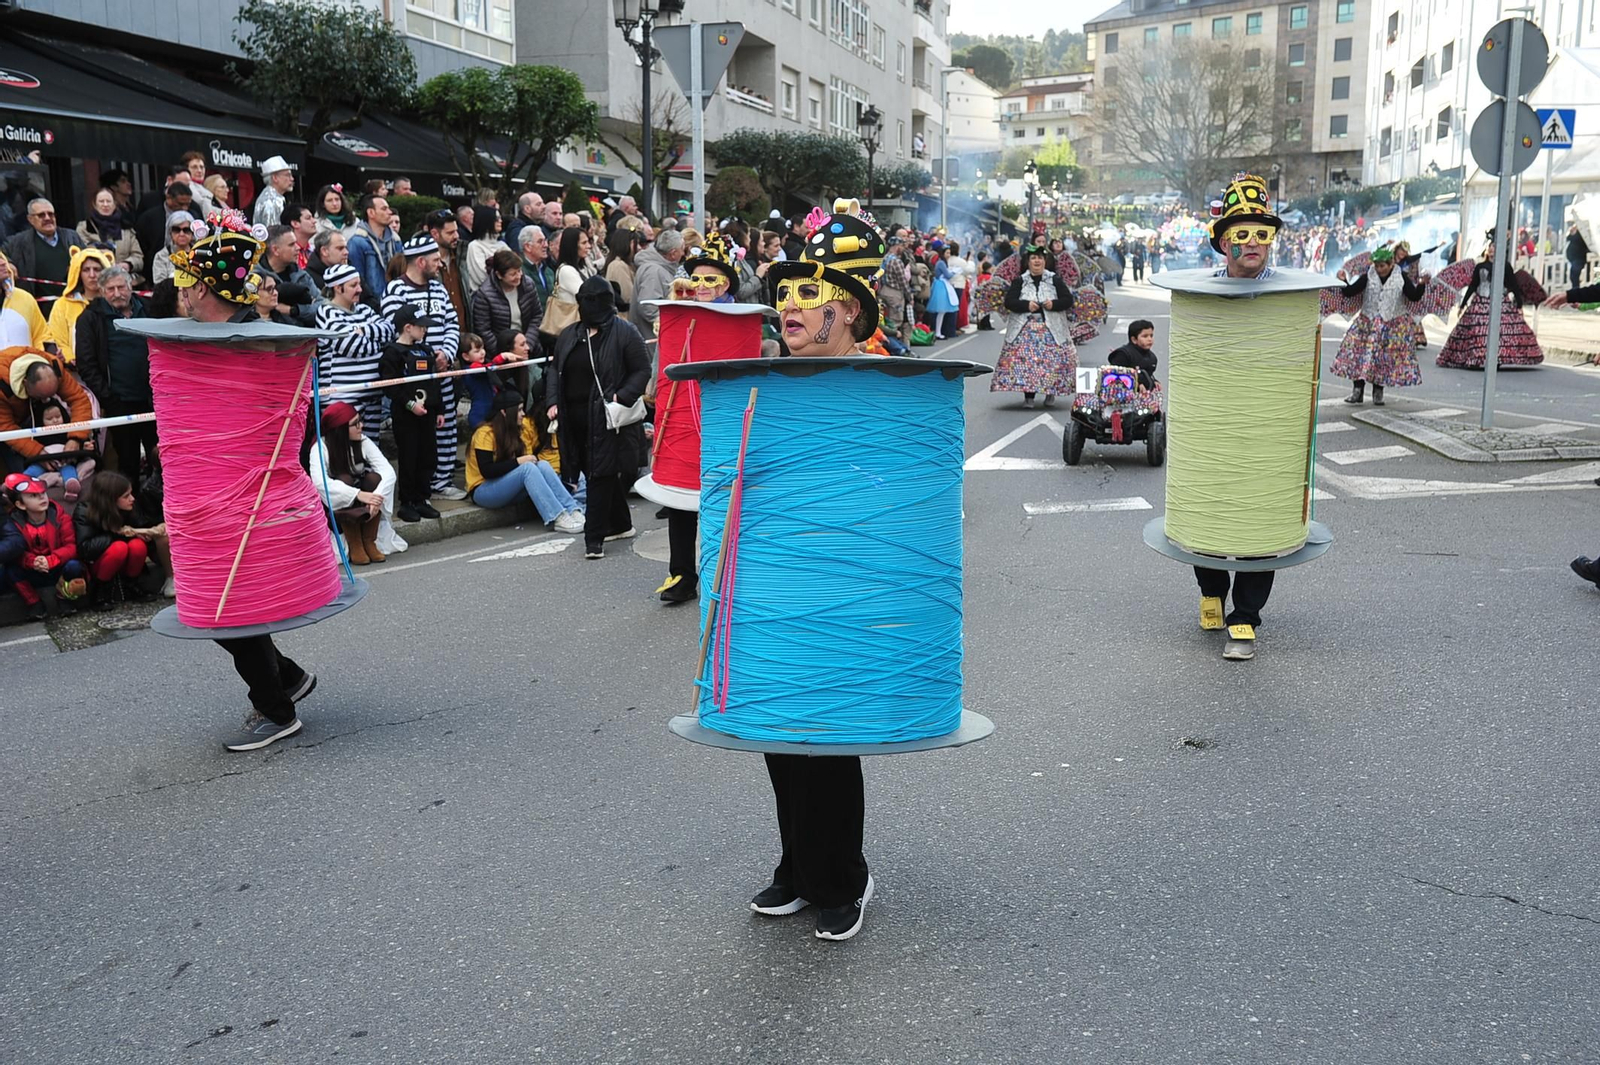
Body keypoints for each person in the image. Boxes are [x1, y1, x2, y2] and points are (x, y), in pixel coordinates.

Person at [747, 197, 887, 941]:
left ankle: (846, 876)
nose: (788, 304)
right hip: (777, 580)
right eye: (784, 291)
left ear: (851, 309)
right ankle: (798, 865)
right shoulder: (766, 380)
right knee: (778, 725)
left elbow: (903, 494)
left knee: (829, 734)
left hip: (847, 580)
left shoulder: (885, 387)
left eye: (809, 291)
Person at [165, 213, 321, 751]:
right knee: (221, 602)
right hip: (209, 496)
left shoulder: (256, 348)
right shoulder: (203, 345)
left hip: (247, 496)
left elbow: (281, 428)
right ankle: (291, 679)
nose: (181, 297)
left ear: (205, 287)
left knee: (225, 607)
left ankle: (276, 710)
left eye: (187, 286)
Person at [1192, 173, 1287, 663]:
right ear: (1223, 241)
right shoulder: (1201, 294)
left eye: (1262, 233)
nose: (1252, 242)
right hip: (1213, 424)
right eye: (1241, 233)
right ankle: (1211, 589)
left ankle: (1245, 616)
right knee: (1207, 513)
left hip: (1267, 426)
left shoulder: (1289, 294)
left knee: (1258, 524)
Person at [543, 275, 649, 559]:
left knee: (600, 473)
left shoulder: (625, 332)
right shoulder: (569, 335)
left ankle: (594, 538)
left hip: (607, 418)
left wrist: (622, 395)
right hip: (573, 418)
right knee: (593, 470)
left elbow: (642, 369)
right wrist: (552, 401)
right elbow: (555, 371)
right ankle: (622, 524)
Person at [382, 234, 465, 500]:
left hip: (442, 370)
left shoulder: (439, 289)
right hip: (413, 378)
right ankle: (417, 492)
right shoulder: (396, 289)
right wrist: (427, 358)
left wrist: (448, 354)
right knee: (416, 440)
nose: (440, 264)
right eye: (434, 260)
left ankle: (441, 482)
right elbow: (394, 331)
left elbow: (453, 324)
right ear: (420, 261)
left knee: (446, 427)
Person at [73, 265, 156, 480]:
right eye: (110, 289)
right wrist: (109, 399)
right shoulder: (90, 319)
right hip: (120, 404)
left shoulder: (149, 308)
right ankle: (131, 509)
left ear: (130, 287)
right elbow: (86, 364)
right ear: (101, 292)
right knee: (127, 463)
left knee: (161, 457)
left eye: (121, 287)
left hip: (154, 400)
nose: (117, 293)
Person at [466, 391, 585, 532]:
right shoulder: (485, 433)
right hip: (482, 490)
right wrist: (518, 462)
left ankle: (572, 510)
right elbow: (487, 471)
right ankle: (557, 517)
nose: (523, 414)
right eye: (519, 410)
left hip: (506, 486)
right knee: (528, 468)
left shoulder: (516, 430)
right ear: (504, 412)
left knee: (542, 465)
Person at [1330, 245, 1428, 405]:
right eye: (1376, 265)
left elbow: (1414, 296)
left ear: (1390, 264)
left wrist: (1422, 284)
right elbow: (1351, 292)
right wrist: (1343, 281)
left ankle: (1378, 392)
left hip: (1390, 325)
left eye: (1382, 266)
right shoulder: (1368, 275)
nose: (1379, 269)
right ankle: (1357, 391)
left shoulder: (1401, 277)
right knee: (1359, 355)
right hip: (1366, 323)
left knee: (1381, 359)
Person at [308, 401, 397, 565]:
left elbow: (388, 471)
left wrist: (376, 497)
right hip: (338, 506)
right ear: (340, 430)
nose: (360, 426)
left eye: (360, 420)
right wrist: (358, 495)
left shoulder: (363, 441)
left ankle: (369, 540)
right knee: (344, 480)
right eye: (355, 424)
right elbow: (320, 483)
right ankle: (355, 542)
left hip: (366, 502)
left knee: (374, 479)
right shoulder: (321, 448)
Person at [379, 305, 445, 523]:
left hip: (427, 413)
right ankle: (407, 501)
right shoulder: (392, 352)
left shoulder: (426, 351)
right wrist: (409, 404)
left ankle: (422, 498)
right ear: (408, 328)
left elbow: (434, 382)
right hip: (406, 415)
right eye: (421, 326)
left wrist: (439, 409)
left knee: (428, 455)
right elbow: (390, 386)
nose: (424, 331)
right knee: (409, 456)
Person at [1436, 239, 1544, 369]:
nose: (1492, 249)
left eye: (1494, 246)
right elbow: (1473, 286)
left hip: (1500, 302)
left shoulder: (1505, 266)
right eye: (1490, 246)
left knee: (1501, 331)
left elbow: (1513, 285)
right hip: (1481, 302)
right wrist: (1463, 304)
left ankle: (1496, 357)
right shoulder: (1480, 267)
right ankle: (1477, 357)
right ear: (1487, 249)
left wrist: (1519, 304)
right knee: (1477, 330)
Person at [315, 264, 396, 437]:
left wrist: (364, 331)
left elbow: (390, 331)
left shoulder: (365, 310)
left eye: (359, 284)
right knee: (344, 452)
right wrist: (378, 345)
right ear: (338, 288)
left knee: (371, 448)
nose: (360, 289)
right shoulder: (326, 312)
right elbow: (352, 346)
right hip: (341, 398)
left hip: (372, 395)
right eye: (353, 285)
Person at [993, 246, 1076, 409]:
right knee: (1028, 365)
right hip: (1026, 329)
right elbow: (1009, 302)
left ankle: (1050, 392)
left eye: (1040, 258)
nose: (1037, 261)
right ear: (1028, 262)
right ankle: (1029, 397)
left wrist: (1053, 304)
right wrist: (1026, 305)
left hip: (1051, 329)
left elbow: (1068, 300)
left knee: (1052, 363)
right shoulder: (1020, 281)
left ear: (1045, 261)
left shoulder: (1055, 280)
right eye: (1033, 258)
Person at [74, 469, 173, 603]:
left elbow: (142, 527)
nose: (132, 499)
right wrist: (118, 534)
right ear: (111, 499)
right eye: (126, 496)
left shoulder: (130, 508)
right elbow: (85, 548)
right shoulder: (84, 511)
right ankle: (101, 589)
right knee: (119, 548)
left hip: (126, 558)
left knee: (137, 546)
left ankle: (132, 584)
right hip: (99, 560)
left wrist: (146, 533)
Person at [3, 476, 85, 619]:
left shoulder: (60, 517)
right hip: (33, 570)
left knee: (75, 566)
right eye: (34, 496)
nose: (42, 498)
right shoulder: (14, 522)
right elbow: (16, 552)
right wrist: (32, 562)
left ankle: (63, 597)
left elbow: (71, 547)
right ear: (21, 505)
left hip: (57, 567)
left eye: (43, 493)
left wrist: (52, 560)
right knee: (11, 570)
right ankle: (35, 604)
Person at [4, 198, 86, 313]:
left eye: (51, 214)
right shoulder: (18, 242)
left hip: (73, 307)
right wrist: (8, 264)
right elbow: (2, 255)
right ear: (30, 219)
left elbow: (89, 258)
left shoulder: (72, 237)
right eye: (41, 215)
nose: (48, 218)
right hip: (38, 310)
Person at [45, 247, 113, 365]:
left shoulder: (113, 303)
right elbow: (58, 339)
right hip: (75, 372)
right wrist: (70, 358)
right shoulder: (62, 304)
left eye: (97, 269)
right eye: (86, 270)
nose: (92, 275)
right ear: (77, 272)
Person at [21, 397, 95, 500]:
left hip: (65, 460)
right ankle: (18, 482)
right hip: (43, 462)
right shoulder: (38, 435)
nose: (55, 420)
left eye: (58, 416)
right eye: (49, 419)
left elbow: (78, 442)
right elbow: (31, 447)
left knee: (69, 470)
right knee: (33, 470)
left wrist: (85, 446)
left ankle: (71, 486)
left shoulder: (69, 431)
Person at [470, 249, 541, 356]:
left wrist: (527, 345)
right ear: (499, 275)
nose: (518, 276)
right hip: (501, 354)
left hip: (529, 348)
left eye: (519, 271)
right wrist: (503, 353)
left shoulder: (528, 285)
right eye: (513, 274)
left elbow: (536, 316)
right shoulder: (485, 294)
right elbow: (483, 330)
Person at [76, 187, 145, 283]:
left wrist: (127, 264)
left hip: (123, 281)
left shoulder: (126, 229)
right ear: (95, 204)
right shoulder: (84, 228)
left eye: (108, 201)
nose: (105, 205)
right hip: (95, 281)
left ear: (114, 204)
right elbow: (80, 256)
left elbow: (138, 257)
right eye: (101, 201)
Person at [348, 194, 401, 312]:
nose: (389, 212)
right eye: (384, 209)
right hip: (371, 308)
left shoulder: (396, 240)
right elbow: (357, 279)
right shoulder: (357, 242)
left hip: (396, 303)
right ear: (371, 213)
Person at [256, 225, 318, 327]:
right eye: (291, 244)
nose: (298, 248)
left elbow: (322, 307)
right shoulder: (255, 278)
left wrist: (294, 310)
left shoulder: (301, 275)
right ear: (275, 250)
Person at [629, 228, 684, 337]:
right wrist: (673, 323)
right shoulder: (653, 272)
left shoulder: (661, 268)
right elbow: (648, 307)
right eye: (682, 249)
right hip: (651, 338)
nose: (683, 253)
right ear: (673, 254)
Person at [426, 209, 470, 329]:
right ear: (435, 234)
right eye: (450, 233)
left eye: (456, 231)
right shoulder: (425, 264)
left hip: (464, 333)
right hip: (440, 335)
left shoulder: (462, 255)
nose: (456, 236)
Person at [1, 248, 50, 349]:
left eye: (2, 258)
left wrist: (46, 357)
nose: (3, 263)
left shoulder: (25, 298)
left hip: (27, 363)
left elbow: (42, 336)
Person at [461, 204, 510, 297]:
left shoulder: (503, 245)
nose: (500, 221)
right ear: (486, 221)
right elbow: (482, 277)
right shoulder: (475, 246)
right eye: (496, 218)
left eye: (500, 218)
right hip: (484, 298)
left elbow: (516, 269)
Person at [1107, 318, 1159, 389]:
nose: (1149, 339)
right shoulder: (1123, 354)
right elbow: (1116, 376)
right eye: (1145, 336)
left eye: (1151, 336)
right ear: (1134, 339)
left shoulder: (1152, 358)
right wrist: (1136, 384)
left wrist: (1154, 381)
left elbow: (1148, 375)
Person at [149, 210, 196, 286]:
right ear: (170, 233)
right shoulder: (161, 256)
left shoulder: (199, 253)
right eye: (176, 230)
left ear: (192, 233)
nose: (181, 234)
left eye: (186, 230)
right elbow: (159, 285)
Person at [252, 155, 296, 227]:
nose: (292, 179)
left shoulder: (268, 196)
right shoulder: (272, 201)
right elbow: (274, 234)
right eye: (287, 175)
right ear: (275, 178)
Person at [604, 227, 640, 311]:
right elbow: (628, 296)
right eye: (635, 244)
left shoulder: (627, 264)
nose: (638, 247)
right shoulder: (618, 266)